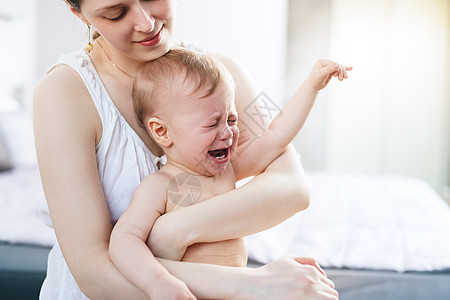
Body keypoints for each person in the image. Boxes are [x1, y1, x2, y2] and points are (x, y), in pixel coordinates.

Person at [33, 0, 345, 299]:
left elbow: (291, 183)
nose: (146, 23)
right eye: (116, 13)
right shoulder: (63, 93)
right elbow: (94, 272)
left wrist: (174, 230)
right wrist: (253, 285)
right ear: (79, 12)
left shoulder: (221, 73)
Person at [110, 48, 351, 299]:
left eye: (232, 120)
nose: (227, 133)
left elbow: (276, 135)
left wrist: (312, 85)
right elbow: (124, 240)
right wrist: (157, 281)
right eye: (212, 123)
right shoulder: (160, 186)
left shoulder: (228, 169)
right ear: (162, 131)